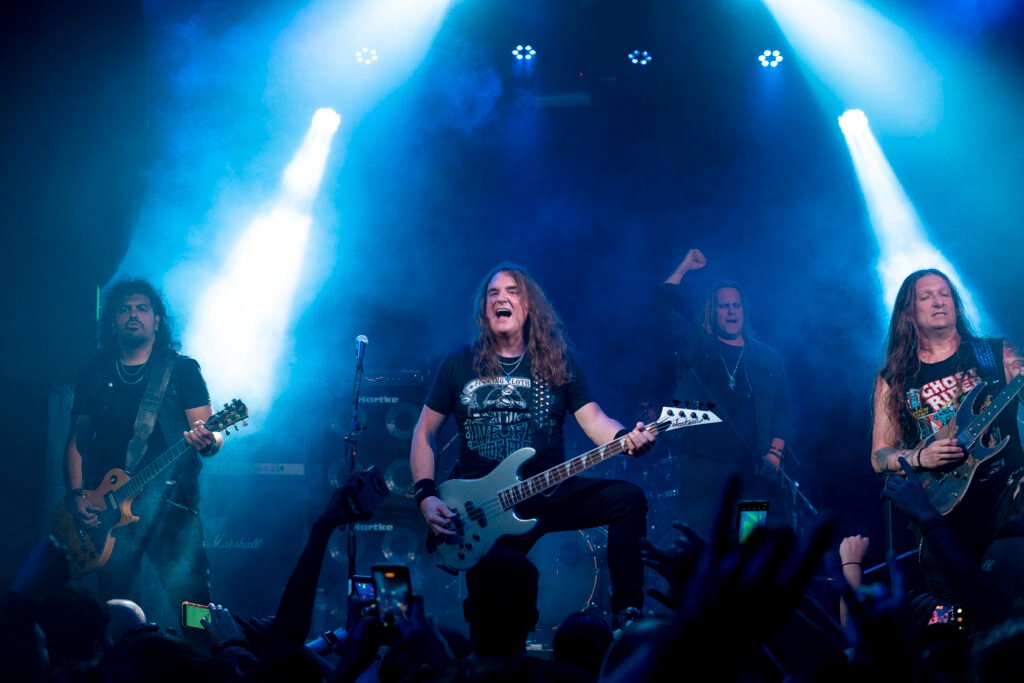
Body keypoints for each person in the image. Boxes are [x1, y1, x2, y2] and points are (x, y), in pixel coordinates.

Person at [410, 262, 654, 629]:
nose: (501, 299)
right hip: (485, 510)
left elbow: (595, 421)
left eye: (512, 292)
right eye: (493, 293)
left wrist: (626, 439)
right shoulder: (460, 363)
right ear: (484, 309)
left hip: (549, 490)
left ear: (529, 306)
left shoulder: (557, 361)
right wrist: (426, 496)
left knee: (627, 499)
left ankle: (628, 616)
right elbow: (423, 432)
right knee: (493, 618)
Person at [63, 277, 221, 622]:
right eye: (124, 309)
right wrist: (75, 496)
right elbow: (77, 440)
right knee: (116, 610)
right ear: (113, 321)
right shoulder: (94, 372)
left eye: (142, 308)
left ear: (156, 320)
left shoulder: (181, 370)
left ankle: (208, 651)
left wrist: (209, 440)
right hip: (110, 511)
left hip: (172, 507)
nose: (133, 315)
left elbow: (210, 433)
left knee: (194, 606)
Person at [870, 268, 1024, 605]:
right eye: (926, 297)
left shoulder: (993, 352)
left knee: (1010, 595)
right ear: (909, 312)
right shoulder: (893, 377)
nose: (939, 302)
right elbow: (879, 455)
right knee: (952, 614)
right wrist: (920, 457)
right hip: (941, 511)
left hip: (1008, 497)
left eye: (944, 294)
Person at [653, 248, 795, 539]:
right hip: (703, 470)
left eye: (736, 305)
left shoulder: (766, 358)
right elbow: (661, 309)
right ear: (712, 312)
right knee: (700, 546)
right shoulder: (700, 347)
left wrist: (775, 453)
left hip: (753, 469)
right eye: (723, 306)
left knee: (750, 546)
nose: (731, 311)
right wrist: (685, 266)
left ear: (744, 311)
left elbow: (782, 410)